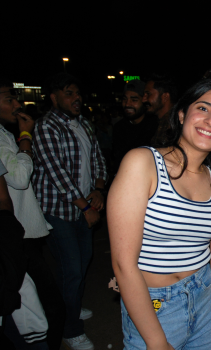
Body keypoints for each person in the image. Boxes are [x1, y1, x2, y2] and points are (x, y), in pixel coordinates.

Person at [108, 78, 211, 350]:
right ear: (181, 115)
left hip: (205, 299)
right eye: (203, 108)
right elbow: (124, 265)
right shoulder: (143, 164)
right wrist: (157, 342)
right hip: (154, 305)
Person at [32, 73, 108, 350]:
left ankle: (71, 307)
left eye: (78, 93)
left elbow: (98, 158)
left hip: (84, 206)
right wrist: (86, 206)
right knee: (71, 269)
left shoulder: (84, 124)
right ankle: (69, 328)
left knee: (83, 261)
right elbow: (56, 173)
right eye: (68, 93)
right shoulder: (46, 127)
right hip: (58, 209)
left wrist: (98, 189)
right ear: (54, 98)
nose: (76, 98)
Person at [0, 80, 65, 349]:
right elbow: (19, 177)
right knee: (47, 304)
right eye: (8, 99)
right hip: (15, 234)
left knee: (36, 301)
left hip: (18, 231)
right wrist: (25, 136)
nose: (17, 105)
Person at [112, 80, 158, 172]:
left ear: (144, 101)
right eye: (125, 99)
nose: (127, 104)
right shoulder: (119, 128)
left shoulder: (155, 127)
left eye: (134, 100)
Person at [142, 73, 178, 146]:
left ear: (165, 97)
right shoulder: (156, 122)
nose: (143, 100)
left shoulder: (175, 124)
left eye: (148, 94)